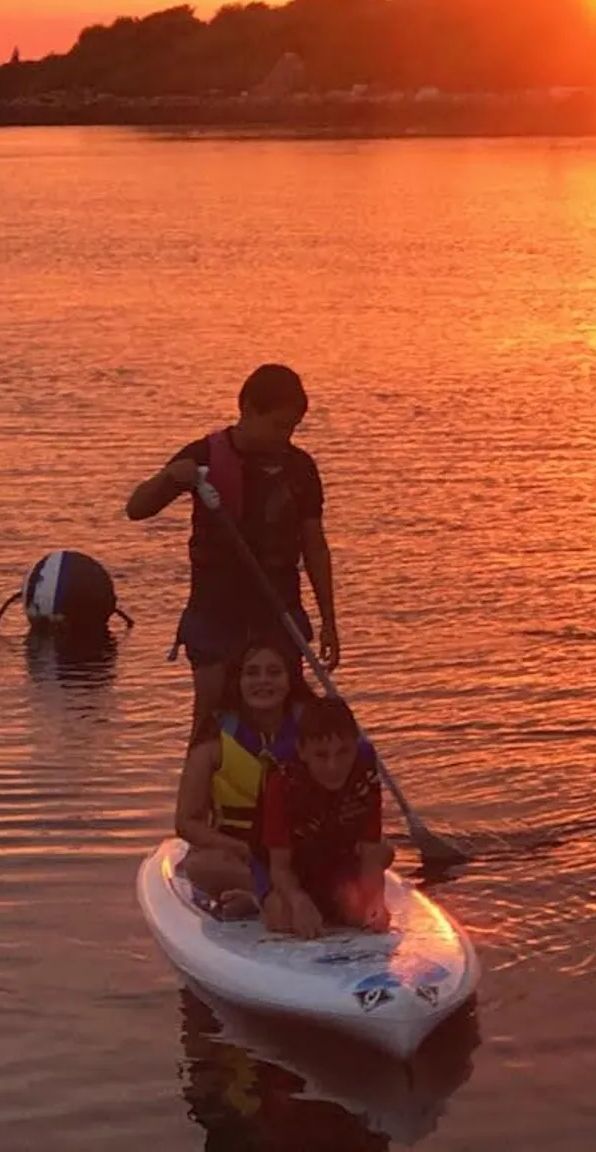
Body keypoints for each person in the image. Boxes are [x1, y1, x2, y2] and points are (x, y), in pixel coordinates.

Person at [126, 364, 337, 741]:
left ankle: (275, 795)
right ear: (248, 410)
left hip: (278, 609)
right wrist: (172, 477)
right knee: (211, 722)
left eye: (292, 427)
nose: (284, 436)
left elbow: (315, 547)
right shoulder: (205, 455)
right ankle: (200, 798)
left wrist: (328, 620)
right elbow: (137, 508)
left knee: (285, 719)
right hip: (216, 612)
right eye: (278, 425)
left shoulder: (300, 468)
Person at [172, 639, 309, 912]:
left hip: (301, 852)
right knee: (200, 866)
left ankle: (261, 897)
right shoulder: (215, 738)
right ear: (237, 679)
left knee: (381, 849)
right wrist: (241, 850)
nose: (263, 681)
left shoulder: (313, 727)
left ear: (290, 678)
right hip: (238, 854)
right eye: (252, 673)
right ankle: (287, 893)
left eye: (274, 672)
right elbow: (186, 822)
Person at [256, 696, 393, 939]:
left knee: (360, 912)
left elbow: (371, 858)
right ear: (302, 751)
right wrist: (298, 900)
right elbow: (279, 866)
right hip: (288, 865)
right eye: (321, 755)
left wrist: (376, 901)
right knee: (282, 917)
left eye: (343, 752)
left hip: (334, 857)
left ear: (355, 745)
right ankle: (251, 897)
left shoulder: (366, 776)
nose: (334, 766)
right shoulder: (282, 783)